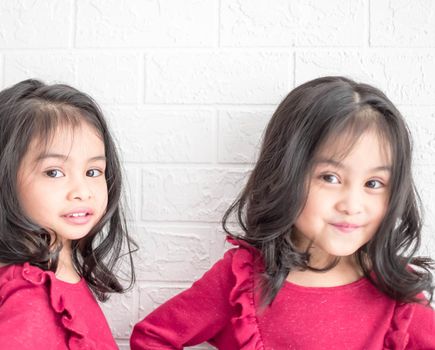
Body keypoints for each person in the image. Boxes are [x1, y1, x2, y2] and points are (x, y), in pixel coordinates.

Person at [130, 76, 435, 349]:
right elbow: (153, 338)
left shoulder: (399, 292)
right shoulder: (241, 279)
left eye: (373, 183)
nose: (352, 205)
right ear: (284, 175)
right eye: (330, 178)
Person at [0, 79, 135, 349]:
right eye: (54, 172)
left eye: (93, 172)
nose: (82, 191)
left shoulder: (36, 276)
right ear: (1, 181)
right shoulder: (30, 296)